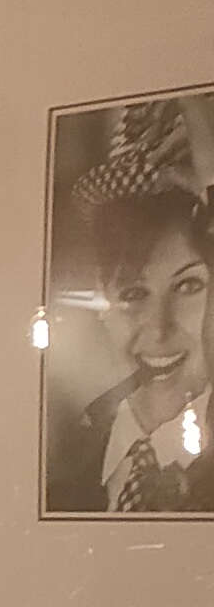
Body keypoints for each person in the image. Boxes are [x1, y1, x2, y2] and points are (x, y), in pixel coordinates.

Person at [47, 165, 214, 514]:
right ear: (102, 300)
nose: (159, 330)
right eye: (134, 293)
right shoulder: (57, 460)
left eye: (188, 286)